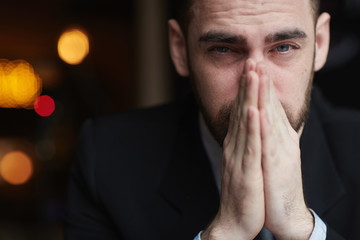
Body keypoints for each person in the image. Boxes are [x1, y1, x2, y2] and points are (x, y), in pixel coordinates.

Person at [64, 0, 360, 239]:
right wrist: (226, 232)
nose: (256, 82)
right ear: (180, 49)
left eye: (283, 47)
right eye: (223, 49)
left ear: (320, 43)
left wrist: (302, 229)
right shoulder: (107, 160)